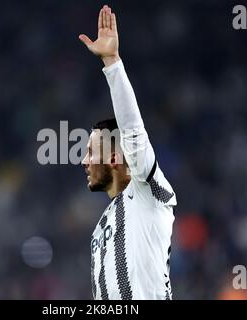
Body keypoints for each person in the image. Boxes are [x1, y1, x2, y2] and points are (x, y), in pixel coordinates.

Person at [79, 5, 177, 300]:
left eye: (89, 152)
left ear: (112, 158)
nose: (83, 161)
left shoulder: (147, 192)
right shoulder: (101, 229)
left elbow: (132, 131)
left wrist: (112, 62)